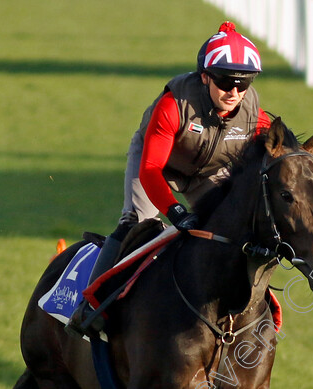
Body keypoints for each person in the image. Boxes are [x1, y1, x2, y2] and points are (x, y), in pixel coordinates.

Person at [66, 21, 271, 336]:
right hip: (157, 166)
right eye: (226, 82)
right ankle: (92, 306)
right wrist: (174, 211)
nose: (234, 93)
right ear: (205, 77)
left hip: (209, 171)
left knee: (233, 230)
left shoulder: (254, 113)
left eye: (243, 85)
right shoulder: (173, 103)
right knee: (134, 223)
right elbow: (150, 169)